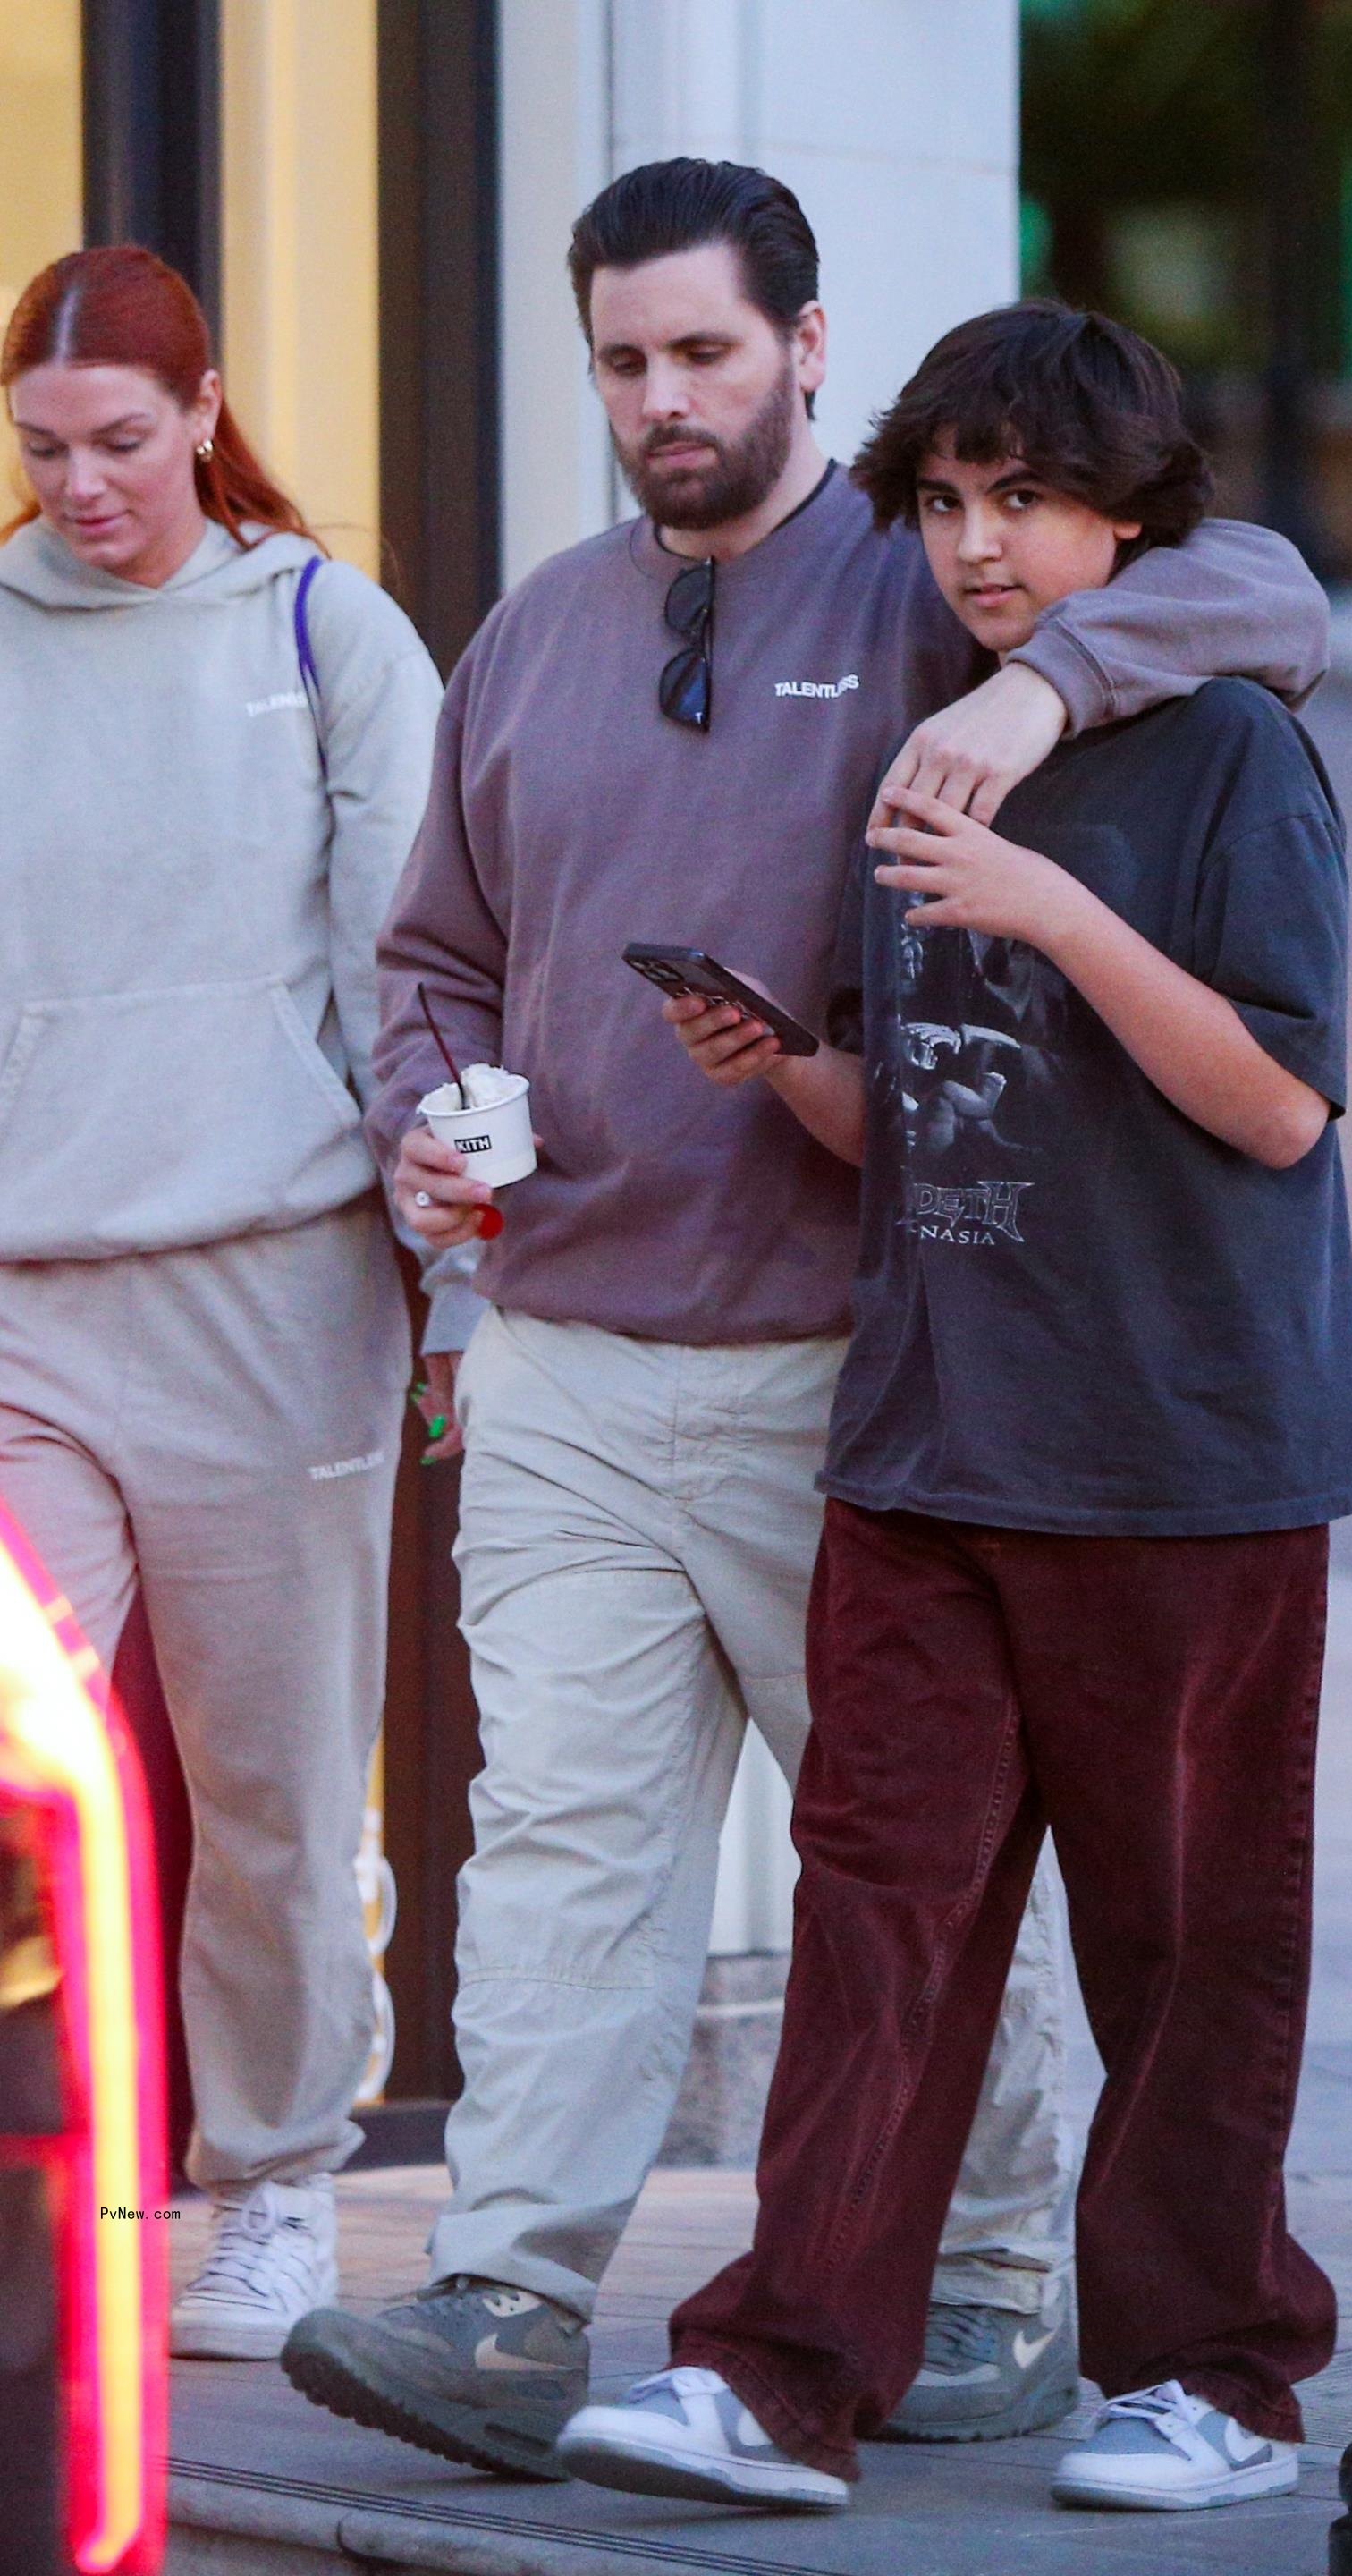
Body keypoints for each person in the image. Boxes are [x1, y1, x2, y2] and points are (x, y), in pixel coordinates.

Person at [283, 160, 1331, 2482]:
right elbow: (438, 957)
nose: (664, 400)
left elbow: (1247, 588)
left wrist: (1046, 699)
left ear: (804, 343)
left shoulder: (948, 586)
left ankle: (1006, 2300)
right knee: (599, 1840)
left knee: (967, 1885)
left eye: (704, 353)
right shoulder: (540, 629)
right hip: (583, 1342)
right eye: (624, 361)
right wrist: (433, 1119)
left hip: (864, 1363)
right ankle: (524, 2298)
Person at [560, 301, 1352, 2516]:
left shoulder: (1228, 752)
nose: (976, 547)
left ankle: (1213, 2378)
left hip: (1187, 1458)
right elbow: (929, 1117)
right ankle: (779, 2376)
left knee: (1186, 1949)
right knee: (877, 1918)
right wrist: (791, 1070)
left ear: (1127, 515)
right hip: (932, 1444)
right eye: (943, 502)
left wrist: (1051, 907)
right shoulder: (927, 731)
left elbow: (1283, 1105)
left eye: (1021, 499)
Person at [0, 246, 447, 2357]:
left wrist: (453, 1274)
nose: (82, 487)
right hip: (22, 1297)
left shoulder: (319, 627)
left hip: (274, 1288)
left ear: (200, 412)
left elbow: (408, 968)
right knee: (18, 1766)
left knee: (269, 1781)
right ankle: (50, 2173)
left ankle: (271, 2188)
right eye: (40, 449)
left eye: (116, 441)